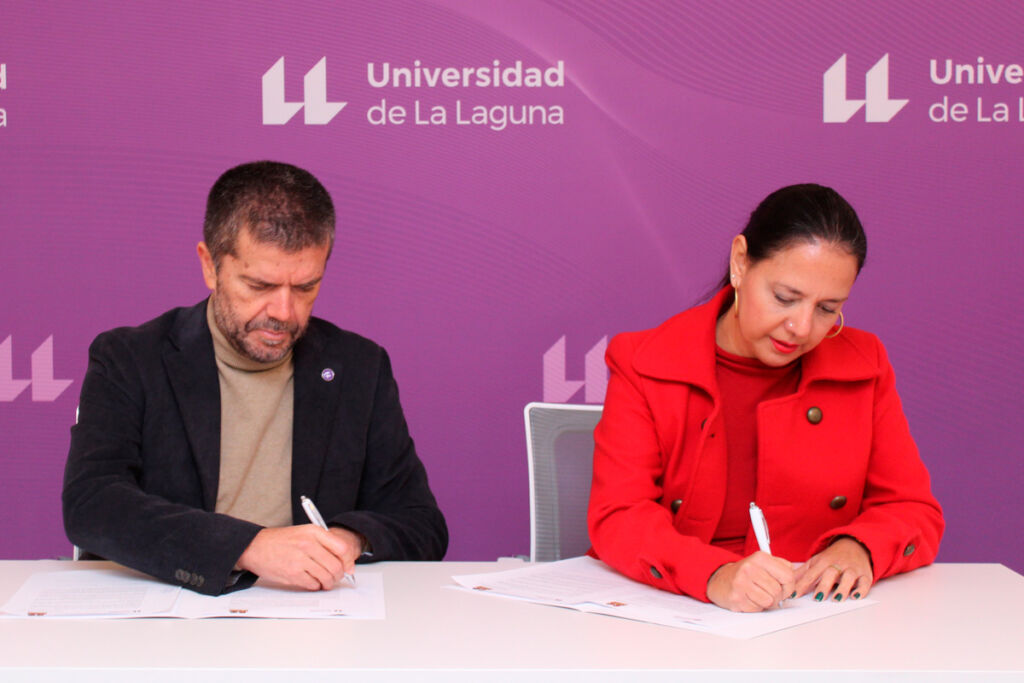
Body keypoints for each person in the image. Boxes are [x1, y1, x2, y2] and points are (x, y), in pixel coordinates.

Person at [63, 161, 448, 595]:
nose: (283, 313)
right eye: (260, 285)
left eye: (305, 288)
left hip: (313, 624)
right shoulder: (130, 358)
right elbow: (92, 504)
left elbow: (420, 521)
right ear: (210, 266)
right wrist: (248, 546)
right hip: (170, 617)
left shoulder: (360, 366)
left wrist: (346, 540)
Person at [587, 184, 944, 612]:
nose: (802, 327)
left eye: (828, 308)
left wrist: (859, 547)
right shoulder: (644, 361)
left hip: (813, 615)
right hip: (683, 609)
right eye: (784, 298)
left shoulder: (864, 363)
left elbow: (913, 509)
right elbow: (619, 515)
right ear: (740, 263)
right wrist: (714, 573)